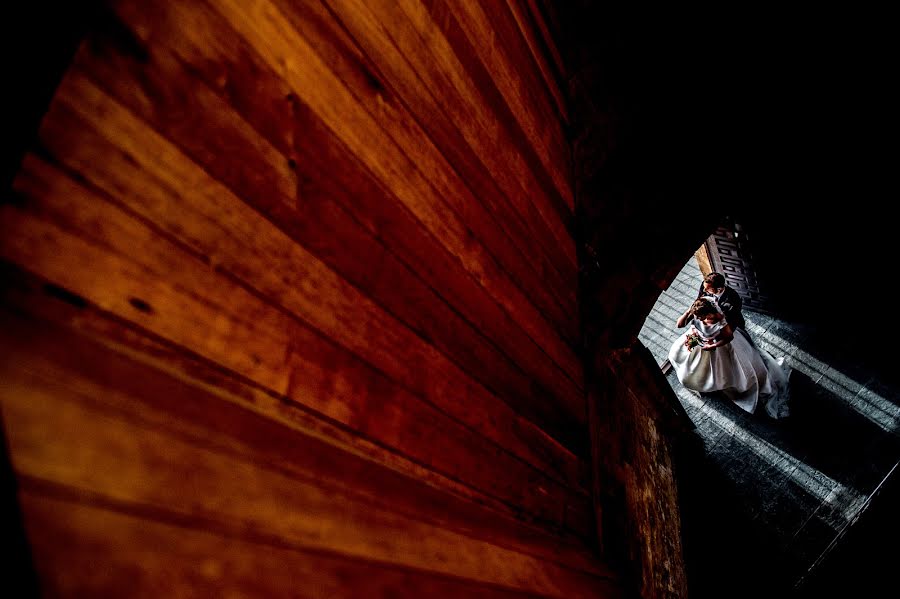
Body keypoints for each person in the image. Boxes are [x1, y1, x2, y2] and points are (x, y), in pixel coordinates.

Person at [669, 298, 790, 418]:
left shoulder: (719, 319)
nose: (698, 319)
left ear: (708, 314)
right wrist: (688, 313)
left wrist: (713, 345)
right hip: (698, 343)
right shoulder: (697, 312)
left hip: (718, 348)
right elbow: (679, 325)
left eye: (700, 317)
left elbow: (728, 338)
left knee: (724, 371)